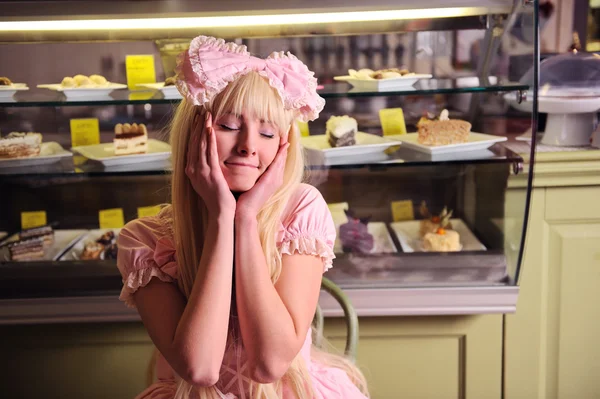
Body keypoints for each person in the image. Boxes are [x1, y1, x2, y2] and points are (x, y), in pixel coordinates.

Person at [116, 36, 369, 399]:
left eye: (267, 132)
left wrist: (246, 219)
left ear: (284, 145)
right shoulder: (143, 240)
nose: (250, 144)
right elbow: (200, 368)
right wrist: (223, 218)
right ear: (192, 137)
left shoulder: (301, 210)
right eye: (229, 126)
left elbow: (270, 365)